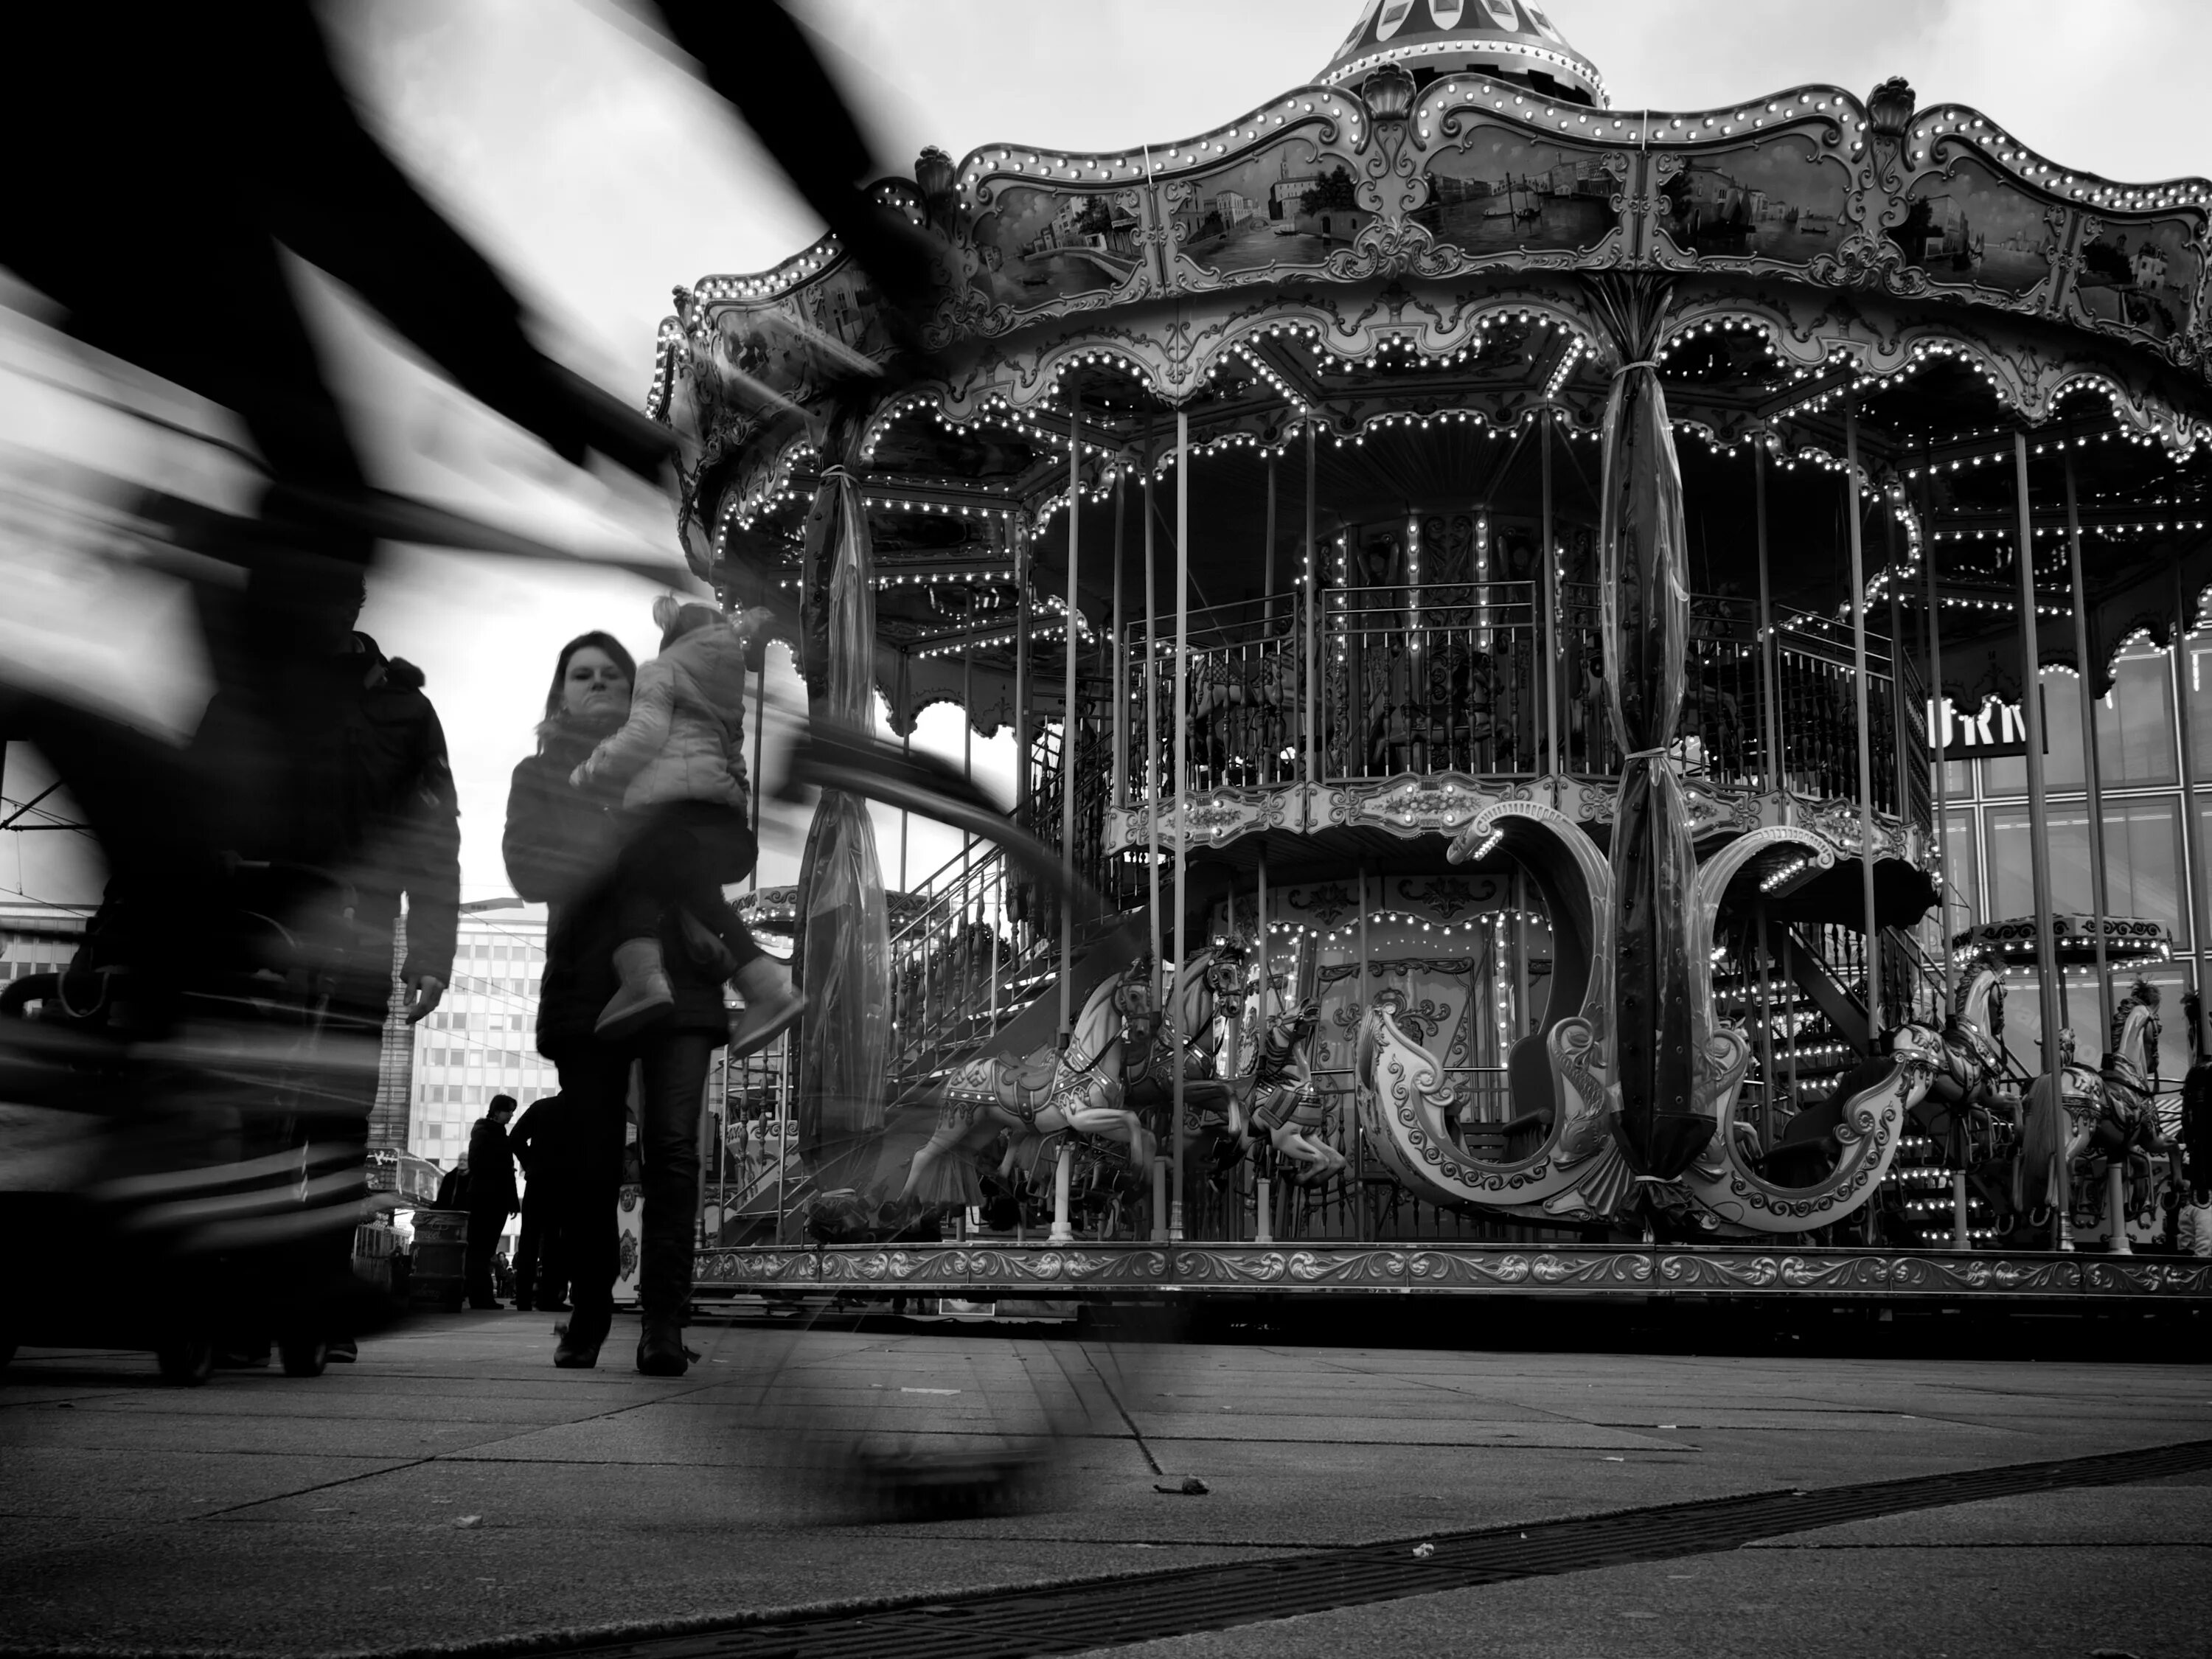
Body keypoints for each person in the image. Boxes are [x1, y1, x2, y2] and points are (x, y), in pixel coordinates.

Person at [190, 563, 459, 1360]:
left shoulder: (402, 710)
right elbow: (187, 812)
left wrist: (433, 951)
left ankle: (314, 1302)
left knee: (335, 1129)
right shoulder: (241, 696)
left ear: (349, 605)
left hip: (357, 935)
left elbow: (433, 835)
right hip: (250, 932)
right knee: (252, 1122)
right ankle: (244, 1305)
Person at [504, 633, 734, 1375]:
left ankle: (664, 1320)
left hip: (682, 977)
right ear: (560, 692)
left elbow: (736, 854)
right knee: (592, 1159)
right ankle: (592, 1306)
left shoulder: (682, 751)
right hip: (588, 980)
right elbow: (527, 869)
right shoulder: (540, 773)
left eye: (612, 675)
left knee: (672, 1150)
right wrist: (614, 832)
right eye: (582, 676)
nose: (597, 685)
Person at [568, 597, 801, 1049]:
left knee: (630, 880)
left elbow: (646, 732)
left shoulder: (661, 669)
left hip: (674, 812)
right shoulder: (725, 689)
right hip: (719, 822)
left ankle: (643, 980)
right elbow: (734, 763)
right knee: (700, 898)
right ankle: (767, 988)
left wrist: (592, 769)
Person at [508, 1093, 575, 1312]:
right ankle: (549, 1298)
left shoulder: (542, 1107)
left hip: (537, 1182)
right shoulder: (584, 1112)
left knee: (529, 1240)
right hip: (565, 1184)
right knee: (555, 1243)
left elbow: (516, 1137)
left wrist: (531, 1162)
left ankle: (524, 1298)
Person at [464, 1096, 521, 1310]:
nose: (511, 1115)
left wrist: (512, 1202)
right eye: (509, 1111)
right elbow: (480, 1164)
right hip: (486, 1197)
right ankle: (481, 1296)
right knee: (481, 1248)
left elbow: (507, 1172)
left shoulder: (494, 1133)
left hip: (492, 1198)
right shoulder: (485, 1133)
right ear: (497, 1112)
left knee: (484, 1248)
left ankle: (481, 1296)